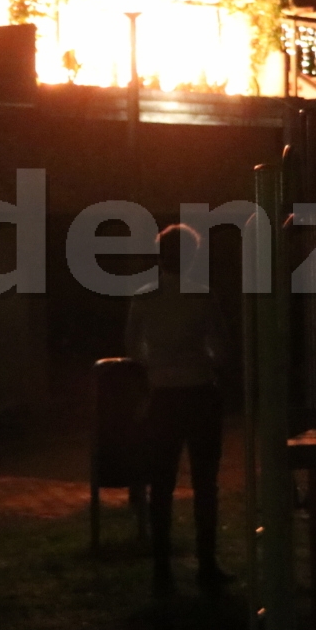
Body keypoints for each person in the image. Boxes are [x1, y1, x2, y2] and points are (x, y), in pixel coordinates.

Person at [125, 223, 231, 597]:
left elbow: (133, 350)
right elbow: (222, 350)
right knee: (205, 483)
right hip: (199, 392)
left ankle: (161, 567)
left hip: (163, 396)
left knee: (162, 483)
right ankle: (206, 563)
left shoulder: (143, 296)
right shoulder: (202, 296)